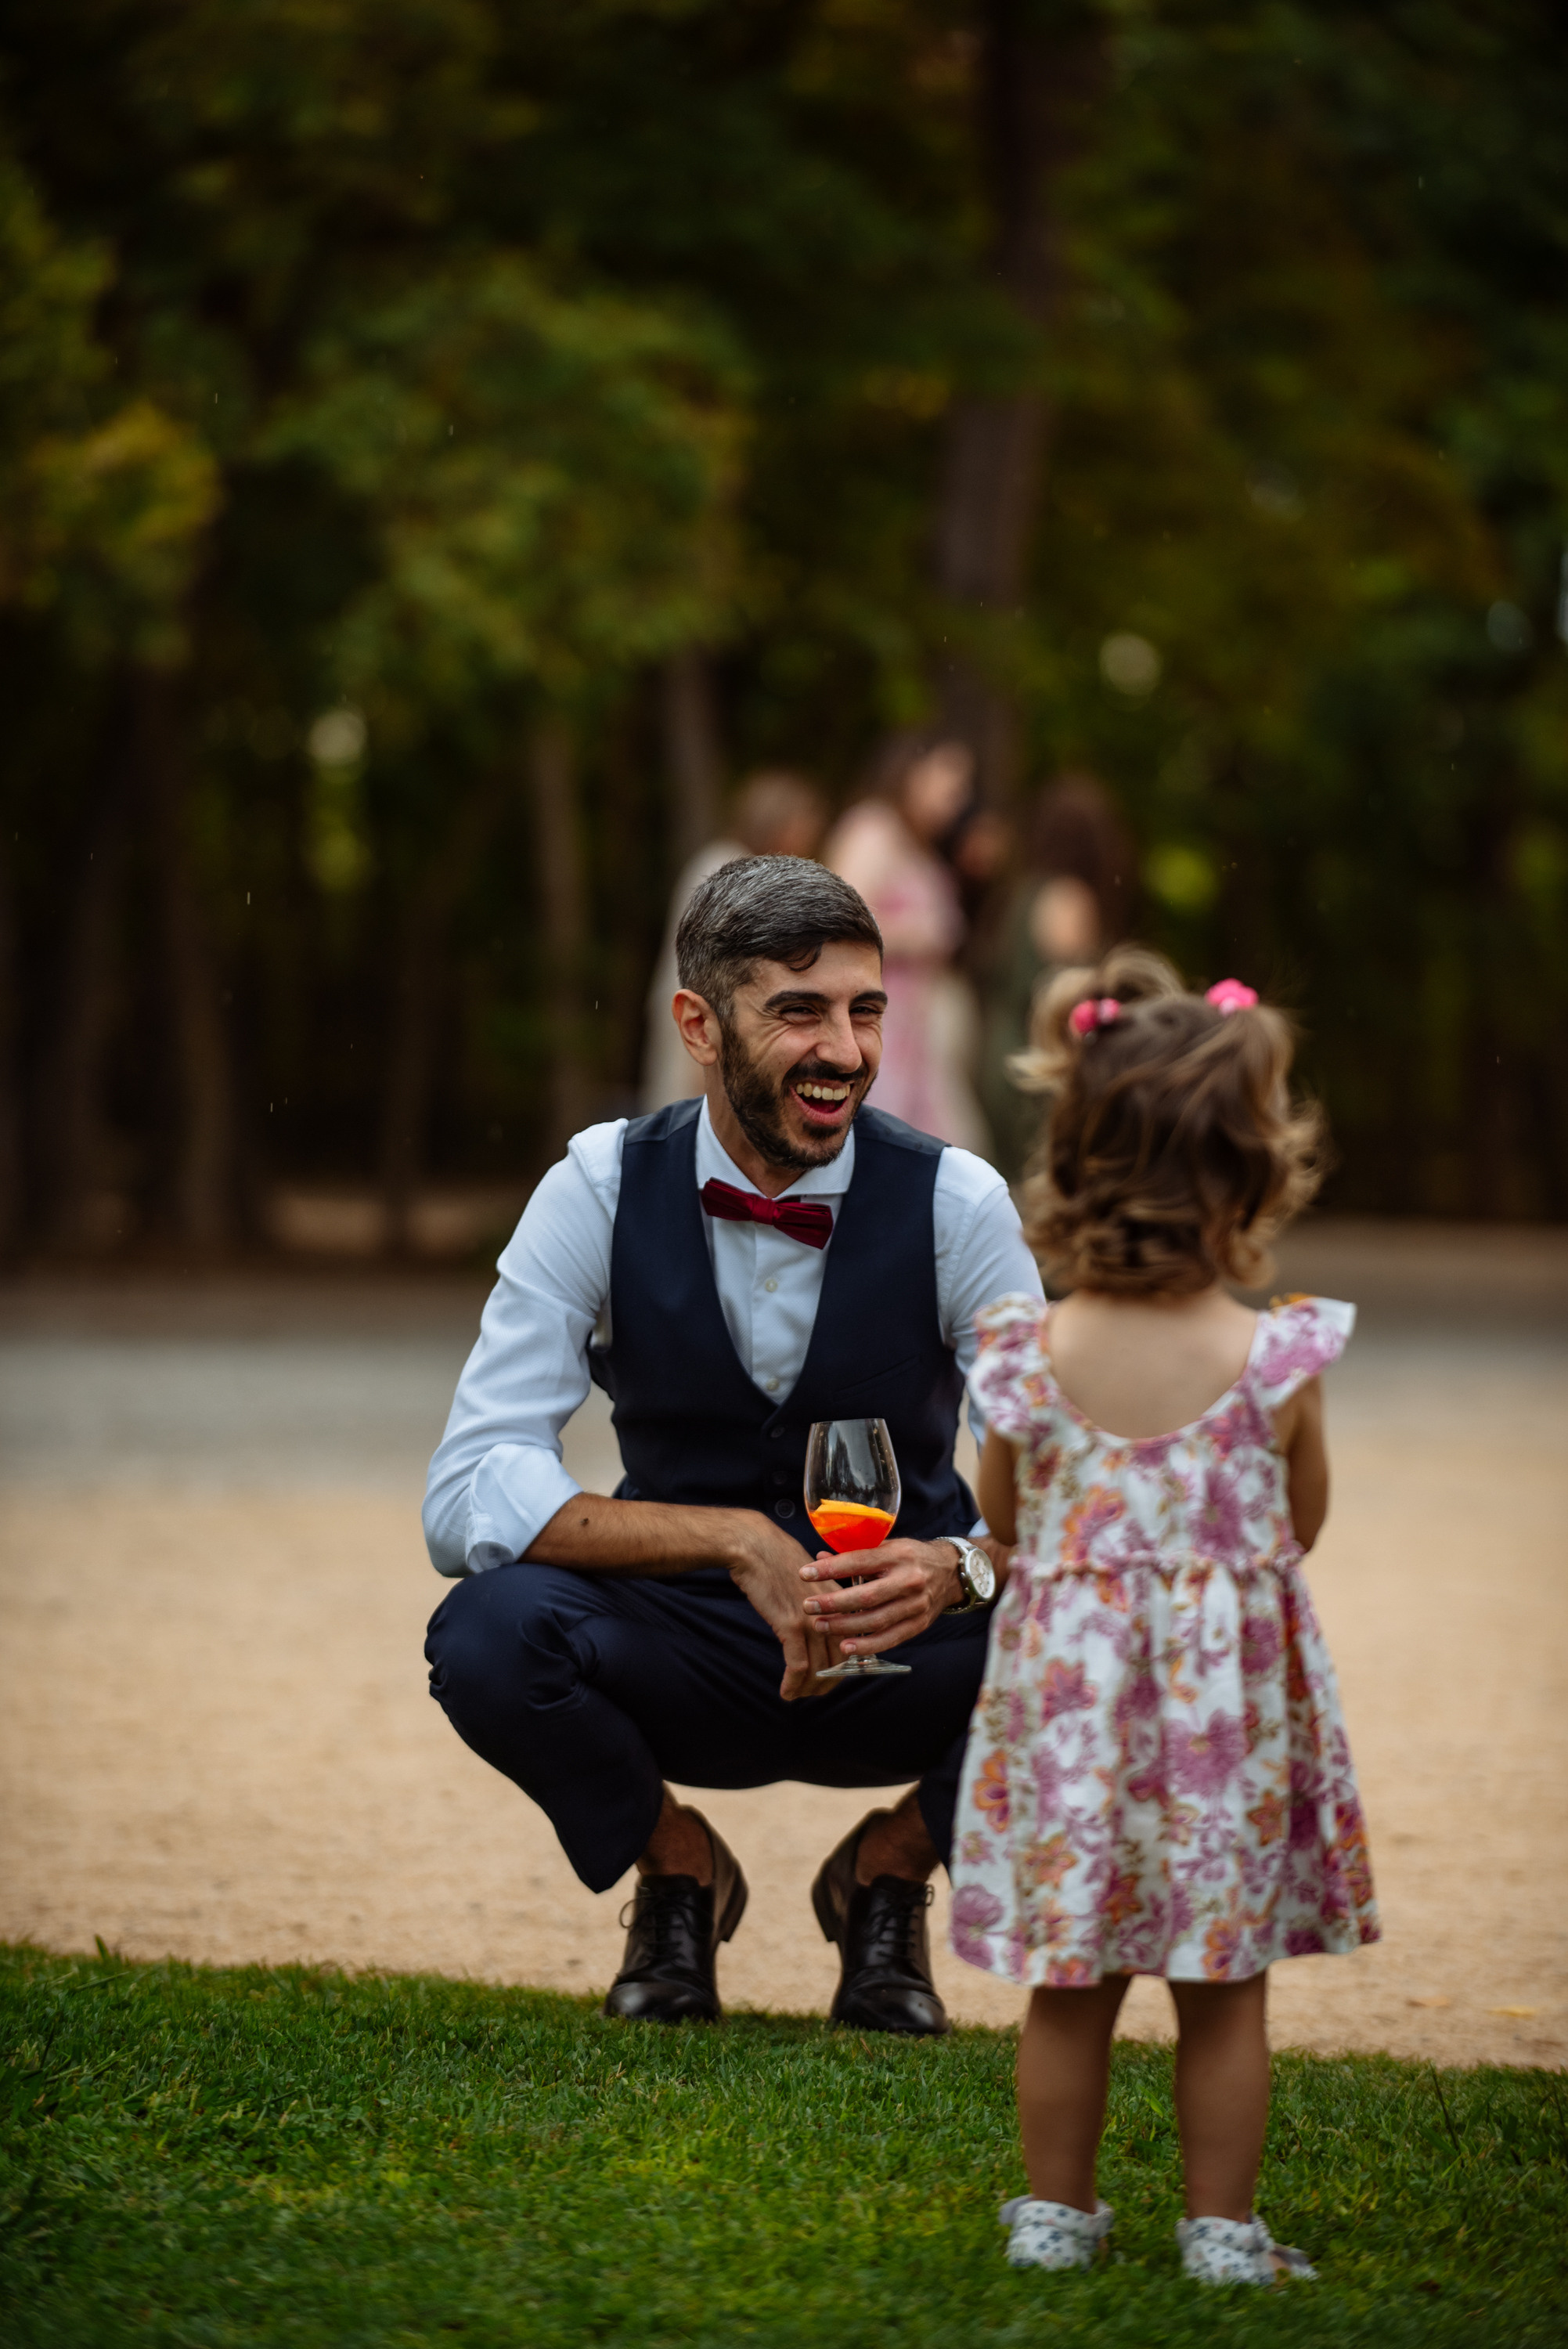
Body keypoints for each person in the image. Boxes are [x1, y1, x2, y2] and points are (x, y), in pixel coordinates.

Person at [424, 855, 1042, 2032]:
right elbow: (465, 1489)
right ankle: (677, 1871)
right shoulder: (597, 1186)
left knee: (1105, 1630)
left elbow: (1076, 1498)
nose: (846, 1052)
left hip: (905, 1646)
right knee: (487, 1637)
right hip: (687, 1647)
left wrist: (955, 1567)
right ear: (698, 1025)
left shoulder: (957, 1203)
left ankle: (888, 1873)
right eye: (797, 1011)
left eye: (864, 1011)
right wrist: (728, 1542)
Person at [950, 947, 1378, 2286]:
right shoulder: (1276, 1360)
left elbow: (1001, 1524)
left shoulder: (1026, 1355)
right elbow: (1294, 1527)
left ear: (1073, 1157)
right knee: (1219, 1988)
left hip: (1071, 1743)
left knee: (1068, 1987)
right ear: (1249, 1170)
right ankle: (1220, 2235)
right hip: (1219, 1750)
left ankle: (1051, 2220)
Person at [824, 731, 989, 1154]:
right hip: (876, 1024)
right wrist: (918, 934)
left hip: (915, 1033)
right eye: (949, 782)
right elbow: (839, 918)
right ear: (912, 773)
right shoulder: (872, 831)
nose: (957, 798)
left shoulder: (918, 846)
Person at [641, 772, 827, 1112]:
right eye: (802, 823)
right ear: (776, 822)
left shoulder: (733, 864)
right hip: (707, 1017)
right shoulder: (728, 868)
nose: (809, 836)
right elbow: (714, 965)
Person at [980, 774, 1134, 1180]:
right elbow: (1075, 996)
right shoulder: (1070, 899)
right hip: (1039, 1059)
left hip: (999, 1051)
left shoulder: (1021, 893)